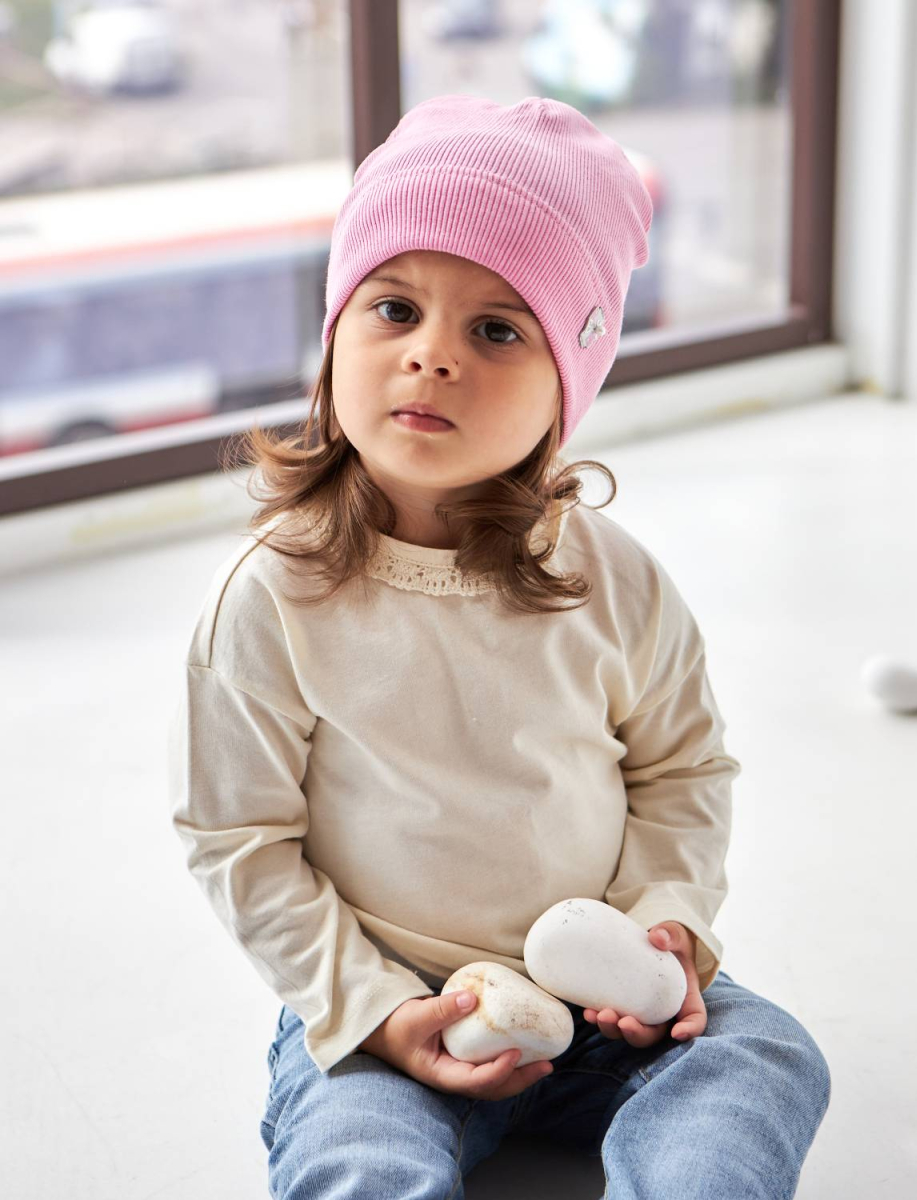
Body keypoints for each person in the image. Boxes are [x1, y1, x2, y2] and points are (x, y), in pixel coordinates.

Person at [168, 93, 831, 1200]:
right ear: (334, 335)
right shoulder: (270, 597)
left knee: (764, 1057)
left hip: (603, 1010)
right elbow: (237, 834)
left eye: (496, 329)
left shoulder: (615, 581)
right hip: (396, 1009)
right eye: (393, 308)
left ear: (567, 387)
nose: (431, 356)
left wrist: (662, 930)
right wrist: (376, 1012)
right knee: (357, 1153)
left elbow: (682, 770)